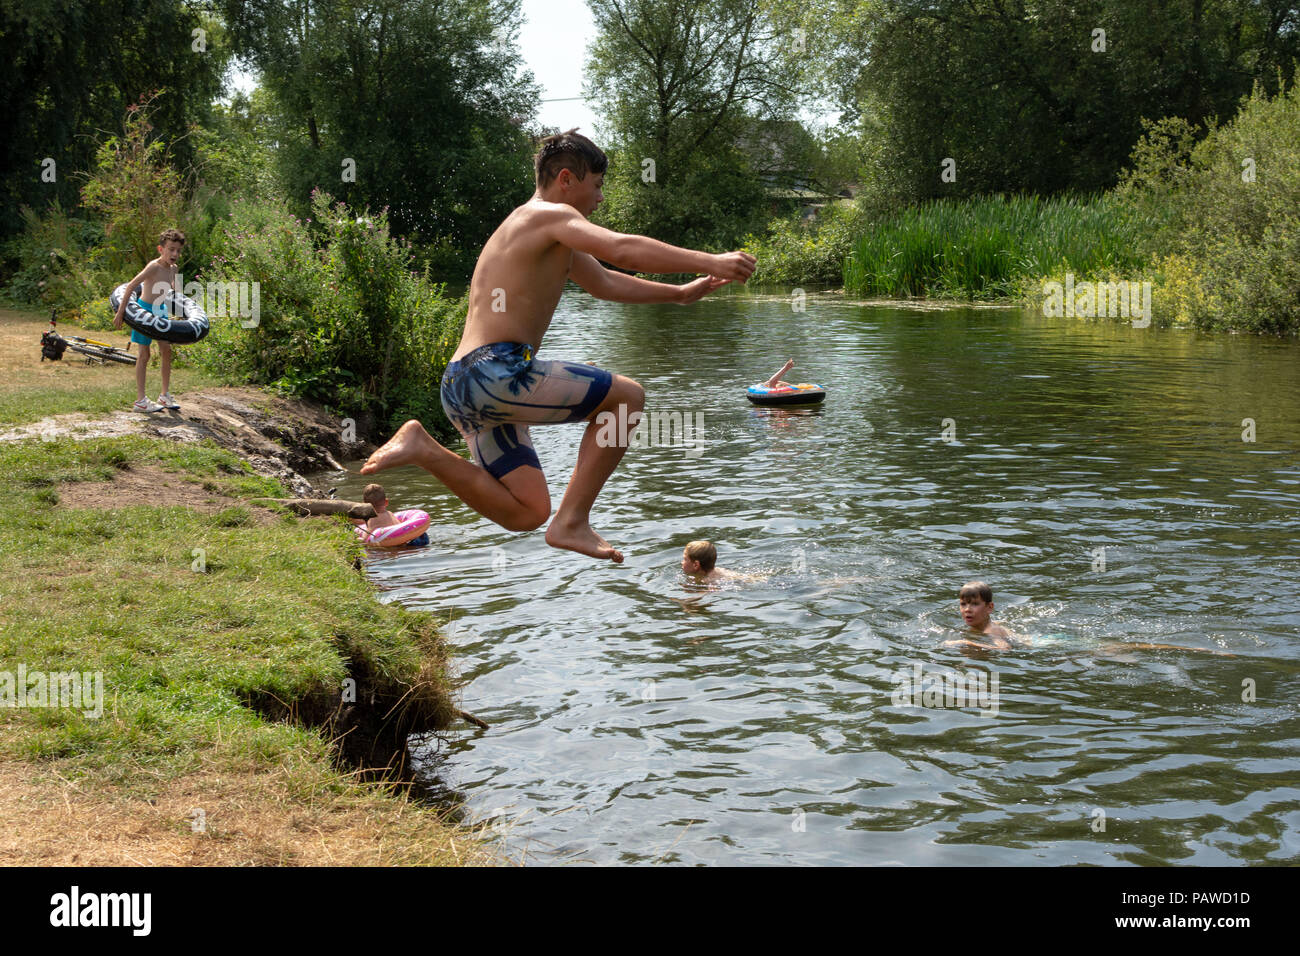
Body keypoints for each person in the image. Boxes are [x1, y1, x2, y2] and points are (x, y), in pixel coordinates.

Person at [360, 129, 756, 562]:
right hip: (495, 372)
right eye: (598, 185)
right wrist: (710, 259)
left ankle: (423, 449)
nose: (600, 199)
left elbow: (604, 281)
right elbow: (622, 250)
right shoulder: (545, 216)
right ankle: (572, 522)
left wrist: (678, 294)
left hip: (462, 387)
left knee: (526, 511)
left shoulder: (545, 234)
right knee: (627, 398)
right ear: (566, 179)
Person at [112, 228, 186, 413]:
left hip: (159, 310)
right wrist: (121, 313)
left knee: (166, 350)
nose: (175, 254)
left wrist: (180, 311)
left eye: (178, 250)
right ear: (161, 249)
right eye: (171, 249)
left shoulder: (174, 269)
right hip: (144, 311)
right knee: (144, 355)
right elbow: (131, 286)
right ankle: (140, 400)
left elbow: (173, 291)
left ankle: (164, 395)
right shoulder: (153, 266)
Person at [943, 580, 1022, 651]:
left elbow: (1005, 648)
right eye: (963, 604)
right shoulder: (982, 625)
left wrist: (967, 643)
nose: (967, 609)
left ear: (989, 607)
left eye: (975, 604)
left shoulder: (991, 631)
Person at [353, 483, 429, 547]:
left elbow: (368, 538)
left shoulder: (372, 519)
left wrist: (361, 540)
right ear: (386, 502)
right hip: (418, 539)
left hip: (399, 545)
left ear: (364, 505)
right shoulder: (390, 514)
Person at [681, 540, 746, 585]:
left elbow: (712, 592)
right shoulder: (716, 571)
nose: (682, 562)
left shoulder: (709, 580)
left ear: (696, 565)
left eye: (684, 559)